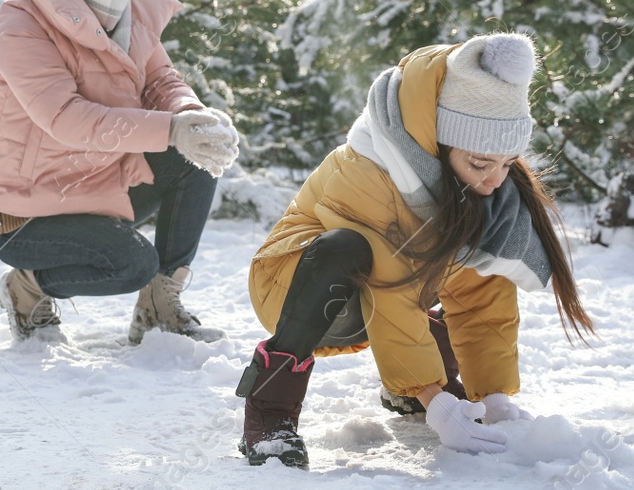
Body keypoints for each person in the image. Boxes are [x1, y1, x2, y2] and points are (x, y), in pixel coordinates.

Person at [235, 33, 594, 467]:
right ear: (439, 143)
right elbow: (388, 284)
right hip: (295, 285)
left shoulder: (469, 180)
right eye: (481, 163)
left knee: (476, 248)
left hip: (387, 293)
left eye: (507, 163)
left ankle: (408, 389)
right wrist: (433, 396)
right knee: (347, 248)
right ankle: (270, 409)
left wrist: (493, 398)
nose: (496, 180)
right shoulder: (367, 170)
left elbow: (482, 289)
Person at [0, 0, 240, 344]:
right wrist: (168, 130)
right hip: (27, 210)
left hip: (95, 180)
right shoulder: (21, 23)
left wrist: (188, 116)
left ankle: (161, 308)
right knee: (132, 263)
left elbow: (160, 76)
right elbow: (66, 119)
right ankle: (25, 286)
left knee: (193, 159)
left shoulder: (121, 3)